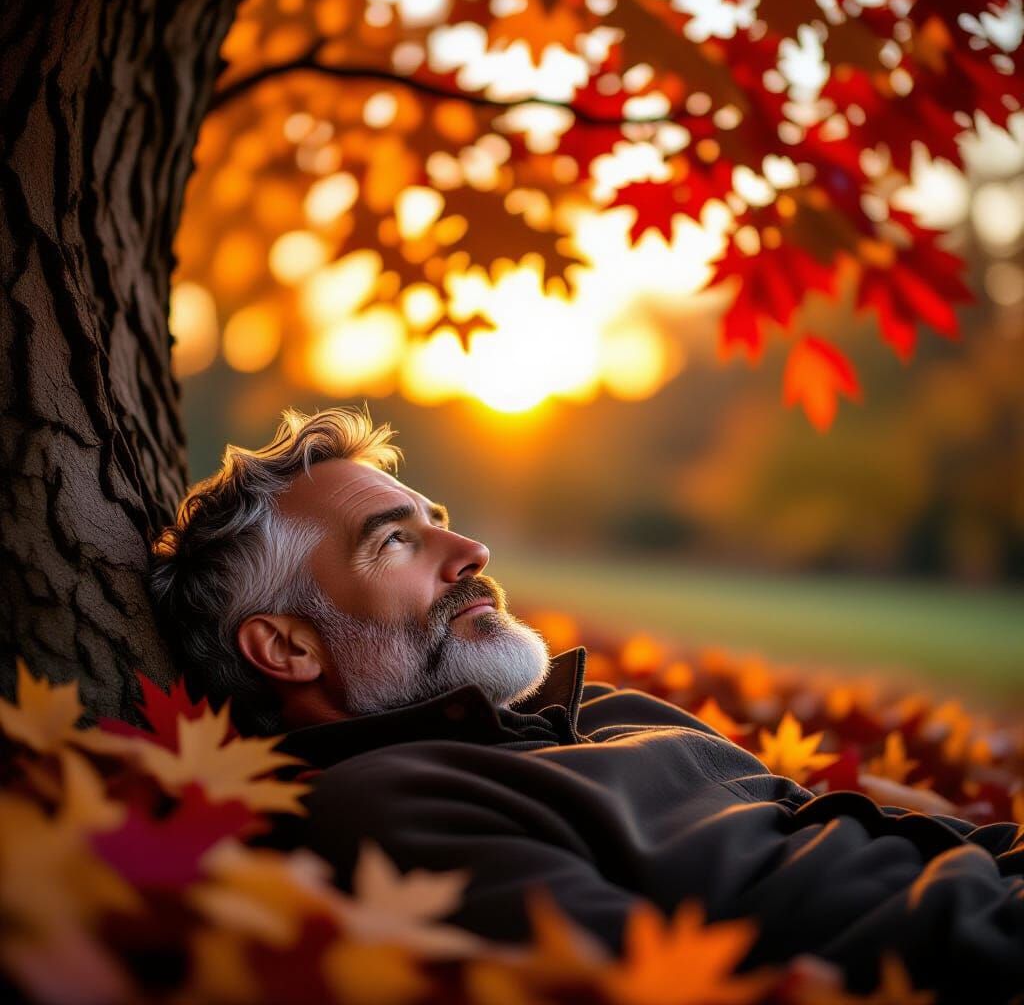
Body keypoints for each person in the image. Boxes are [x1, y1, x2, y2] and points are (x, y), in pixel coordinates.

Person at [150, 407, 1024, 1004]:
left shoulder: (600, 709)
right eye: (396, 541)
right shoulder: (395, 807)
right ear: (288, 648)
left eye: (440, 519)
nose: (472, 549)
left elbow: (843, 828)